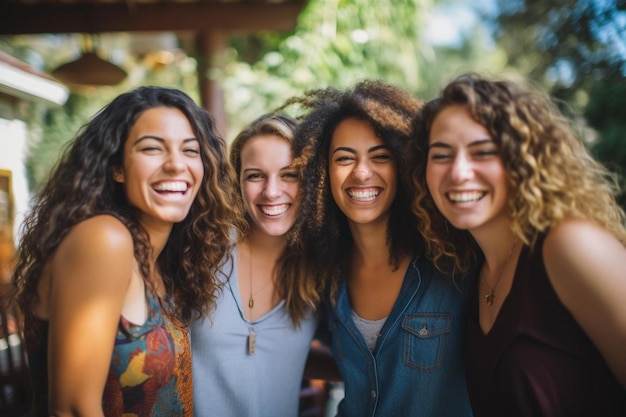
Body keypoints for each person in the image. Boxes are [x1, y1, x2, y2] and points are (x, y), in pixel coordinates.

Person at [9, 86, 240, 416]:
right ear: (116, 167)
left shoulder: (158, 262)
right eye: (152, 149)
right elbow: (72, 408)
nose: (176, 165)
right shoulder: (105, 238)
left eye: (191, 151)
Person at [411, 73, 626, 416]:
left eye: (483, 151)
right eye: (441, 155)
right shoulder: (469, 272)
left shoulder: (570, 245)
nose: (459, 172)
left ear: (523, 159)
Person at [285, 80, 472, 416]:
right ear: (322, 172)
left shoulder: (452, 259)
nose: (361, 172)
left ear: (404, 164)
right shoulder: (325, 270)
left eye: (380, 156)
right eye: (344, 158)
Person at [191, 113, 324, 417]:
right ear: (237, 182)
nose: (272, 191)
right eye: (255, 176)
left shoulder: (318, 268)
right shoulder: (203, 251)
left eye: (289, 174)